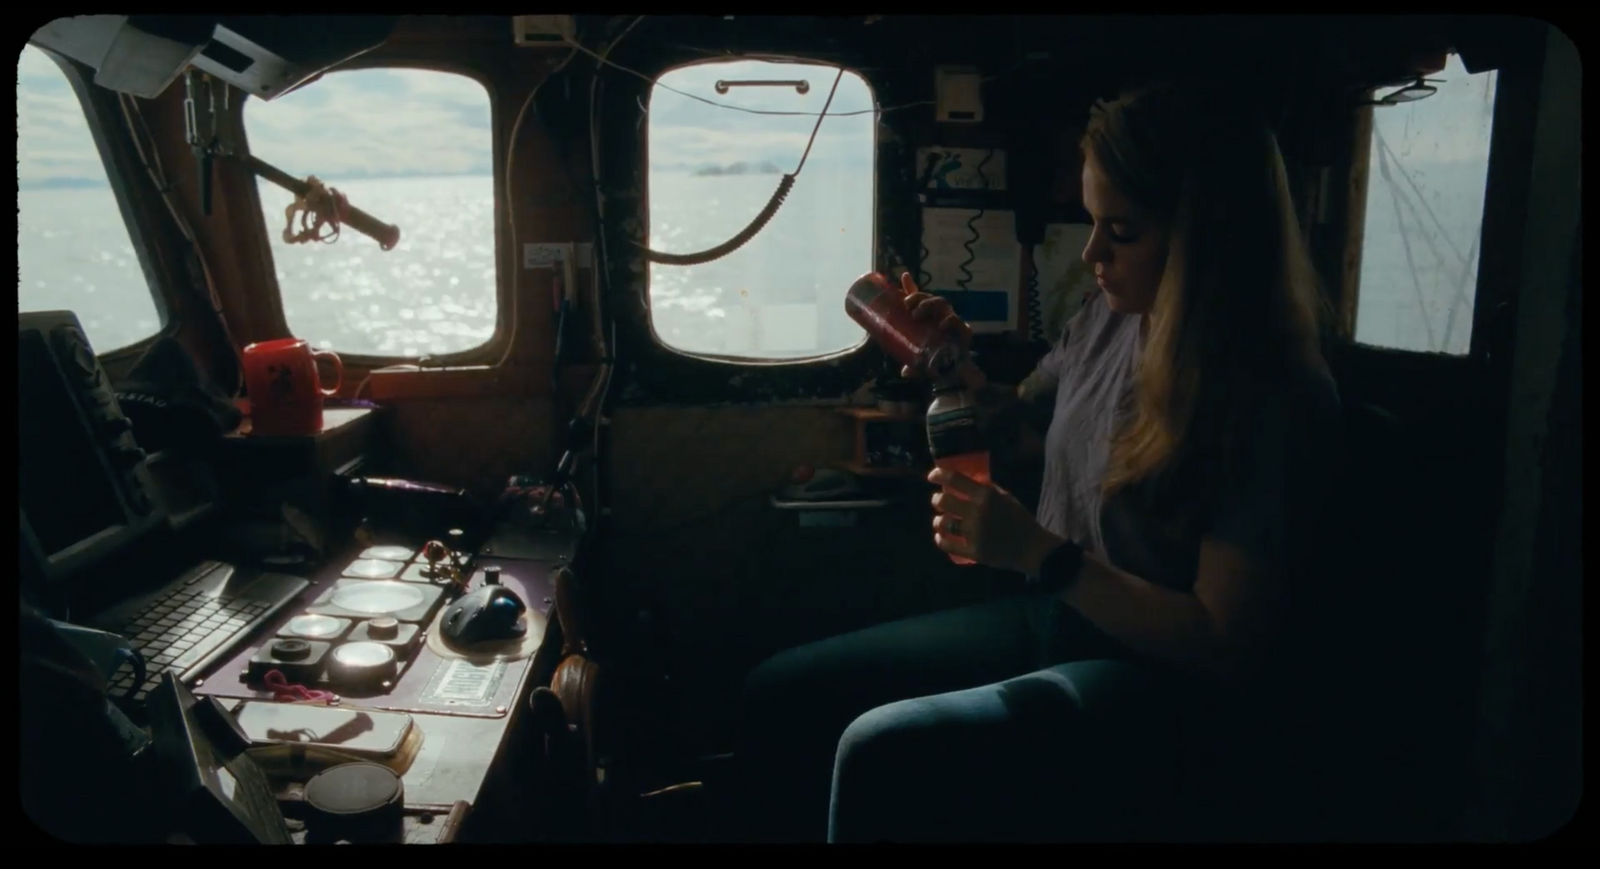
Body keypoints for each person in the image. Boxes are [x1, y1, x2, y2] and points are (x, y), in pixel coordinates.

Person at [732, 81, 1347, 842]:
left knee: (879, 752)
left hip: (1157, 682)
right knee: (781, 692)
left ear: (1206, 239)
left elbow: (1224, 641)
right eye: (1093, 223)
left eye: (1119, 230)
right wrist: (957, 371)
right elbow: (1025, 427)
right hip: (1061, 614)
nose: (1091, 253)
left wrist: (1040, 554)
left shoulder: (1272, 395)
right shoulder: (1111, 318)